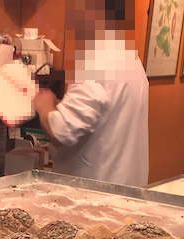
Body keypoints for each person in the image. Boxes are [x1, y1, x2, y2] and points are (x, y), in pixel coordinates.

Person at [33, 0, 149, 187]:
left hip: (93, 190)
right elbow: (103, 113)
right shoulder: (132, 59)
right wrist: (63, 105)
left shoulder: (95, 63)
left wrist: (44, 105)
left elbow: (61, 131)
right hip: (127, 186)